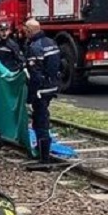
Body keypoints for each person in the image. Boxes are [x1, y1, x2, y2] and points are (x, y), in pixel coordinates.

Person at [23, 19, 65, 171]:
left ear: (29, 30)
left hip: (41, 90)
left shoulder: (35, 47)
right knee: (42, 120)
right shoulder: (51, 42)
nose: (24, 33)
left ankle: (44, 160)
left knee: (40, 123)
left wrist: (30, 96)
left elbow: (34, 75)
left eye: (25, 30)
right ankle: (44, 156)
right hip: (51, 87)